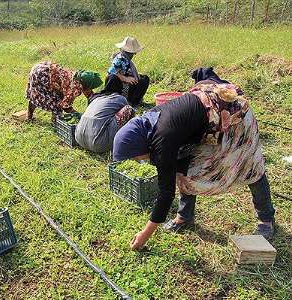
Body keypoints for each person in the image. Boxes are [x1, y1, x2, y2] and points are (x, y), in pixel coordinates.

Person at [113, 76, 275, 251]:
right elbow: (181, 153)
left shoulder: (162, 138)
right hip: (208, 118)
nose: (139, 160)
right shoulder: (149, 125)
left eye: (136, 157)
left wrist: (145, 234)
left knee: (249, 167)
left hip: (234, 117)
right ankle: (185, 216)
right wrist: (179, 169)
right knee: (185, 172)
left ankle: (266, 219)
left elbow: (166, 193)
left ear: (139, 145)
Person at [75, 75, 135, 153]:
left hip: (78, 138)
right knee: (128, 109)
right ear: (119, 86)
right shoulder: (120, 98)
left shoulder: (96, 98)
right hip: (98, 145)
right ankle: (127, 141)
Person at [107, 36, 150, 107]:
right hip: (118, 84)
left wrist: (133, 77)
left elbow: (129, 71)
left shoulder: (127, 60)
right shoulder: (119, 58)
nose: (133, 54)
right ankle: (113, 102)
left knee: (144, 79)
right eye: (131, 53)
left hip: (126, 82)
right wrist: (125, 78)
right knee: (112, 78)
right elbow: (111, 71)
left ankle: (134, 102)